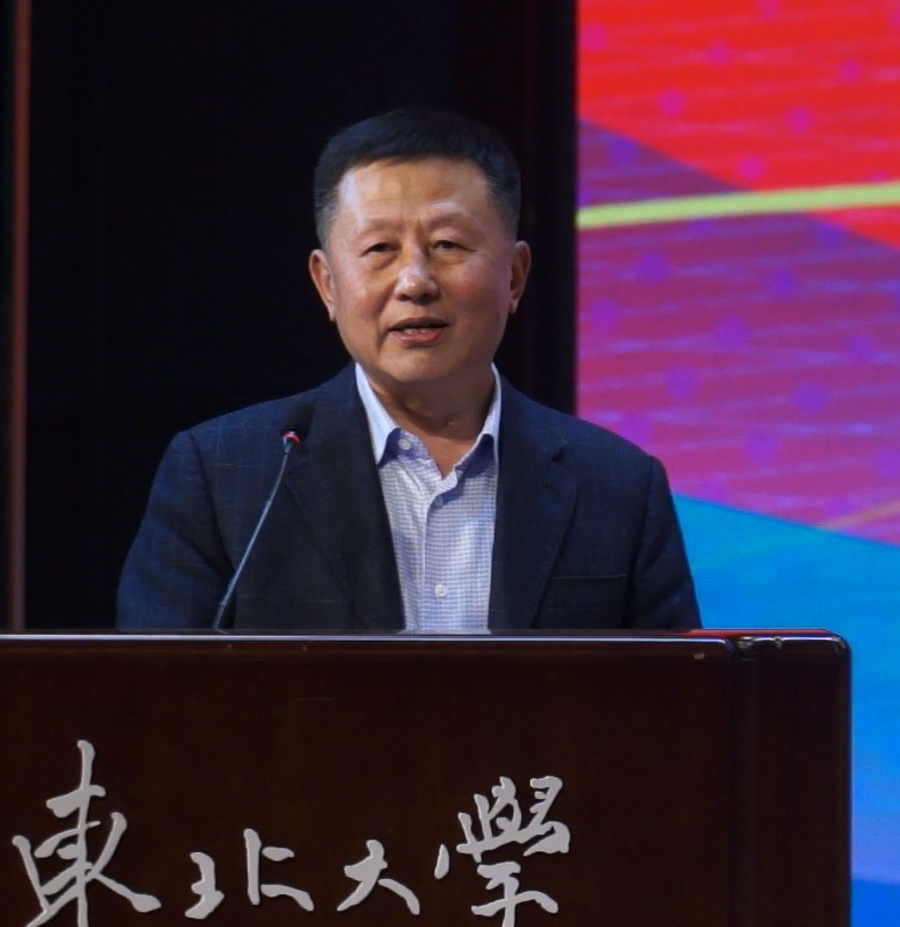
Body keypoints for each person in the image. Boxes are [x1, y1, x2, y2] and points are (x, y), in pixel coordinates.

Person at [116, 108, 699, 631]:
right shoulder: (223, 474)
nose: (415, 281)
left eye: (448, 245)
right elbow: (155, 697)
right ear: (327, 283)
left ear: (515, 276)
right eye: (380, 249)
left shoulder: (618, 487)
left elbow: (674, 703)